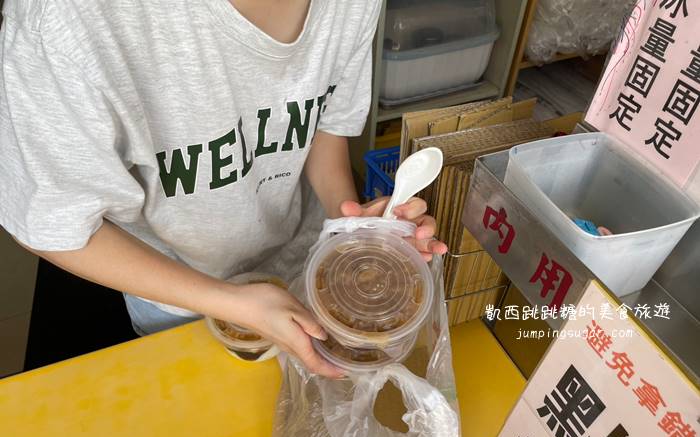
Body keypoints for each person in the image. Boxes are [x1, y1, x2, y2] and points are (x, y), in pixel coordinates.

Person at [0, 0, 447, 378]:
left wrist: (350, 230)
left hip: (304, 269)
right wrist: (231, 303)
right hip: (178, 296)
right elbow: (53, 226)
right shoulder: (66, 22)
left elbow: (322, 127)